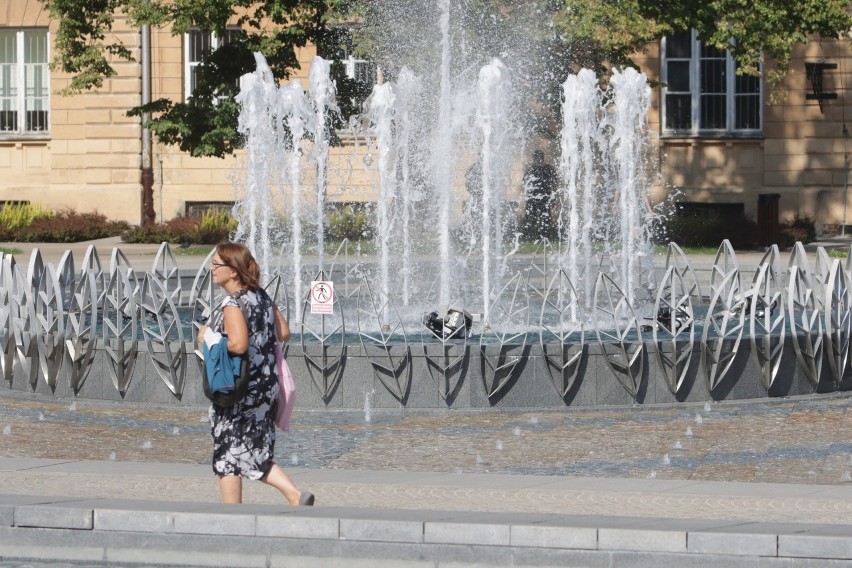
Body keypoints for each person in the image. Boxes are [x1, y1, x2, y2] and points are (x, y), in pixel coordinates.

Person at [197, 242, 314, 506]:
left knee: (227, 456)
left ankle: (233, 518)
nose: (212, 269)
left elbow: (238, 345)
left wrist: (210, 337)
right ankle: (295, 494)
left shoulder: (233, 302)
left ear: (233, 272)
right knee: (255, 449)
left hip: (239, 388)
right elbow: (283, 333)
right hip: (265, 386)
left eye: (217, 265)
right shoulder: (261, 296)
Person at [522, 150, 558, 240]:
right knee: (532, 218)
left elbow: (554, 184)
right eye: (536, 157)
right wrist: (525, 196)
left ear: (542, 158)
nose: (538, 159)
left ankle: (543, 237)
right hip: (534, 197)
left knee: (544, 218)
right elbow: (525, 184)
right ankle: (532, 236)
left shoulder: (547, 168)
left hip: (543, 196)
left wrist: (553, 197)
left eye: (539, 157)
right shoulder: (531, 169)